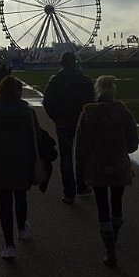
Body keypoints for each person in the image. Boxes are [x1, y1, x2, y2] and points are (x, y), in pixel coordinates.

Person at [75, 75, 139, 267]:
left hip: (97, 164)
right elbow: (133, 144)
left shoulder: (88, 114)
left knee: (102, 205)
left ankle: (109, 248)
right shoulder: (124, 114)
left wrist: (80, 170)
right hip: (119, 164)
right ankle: (114, 236)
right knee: (116, 202)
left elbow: (81, 146)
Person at [0, 75, 41, 259]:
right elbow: (35, 136)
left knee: (5, 203)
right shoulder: (27, 112)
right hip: (22, 160)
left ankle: (9, 244)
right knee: (20, 196)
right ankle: (21, 227)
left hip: (2, 160)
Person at [42, 51, 95, 204]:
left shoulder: (55, 81)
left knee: (66, 158)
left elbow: (47, 102)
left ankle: (69, 192)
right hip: (80, 122)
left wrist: (56, 118)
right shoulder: (84, 80)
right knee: (82, 155)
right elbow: (91, 101)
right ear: (75, 63)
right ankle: (82, 185)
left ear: (61, 63)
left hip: (63, 122)